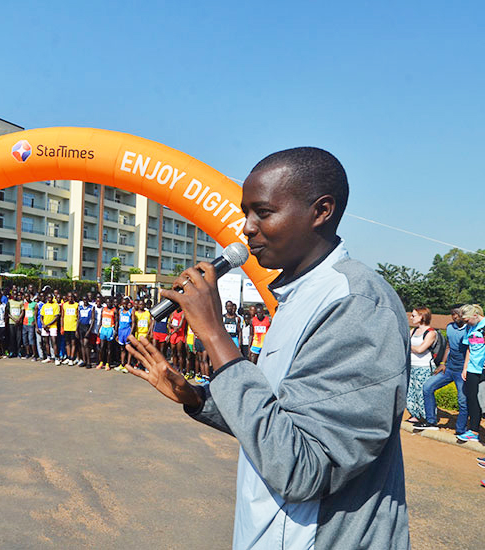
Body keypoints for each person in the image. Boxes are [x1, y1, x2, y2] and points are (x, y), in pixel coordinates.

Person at [126, 147, 409, 549]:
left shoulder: (355, 304)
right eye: (246, 213)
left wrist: (216, 337)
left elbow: (304, 468)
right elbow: (279, 421)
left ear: (321, 211)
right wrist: (198, 398)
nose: (246, 228)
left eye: (263, 212)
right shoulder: (298, 298)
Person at [416, 306, 467, 432]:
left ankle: (461, 429)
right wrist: (443, 363)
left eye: (457, 314)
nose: (455, 316)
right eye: (452, 314)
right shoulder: (450, 327)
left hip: (462, 371)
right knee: (428, 387)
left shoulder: (469, 329)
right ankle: (431, 421)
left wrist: (466, 369)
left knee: (462, 400)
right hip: (448, 369)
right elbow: (449, 346)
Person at [458, 304, 485, 443]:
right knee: (472, 399)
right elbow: (469, 347)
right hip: (472, 369)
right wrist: (465, 367)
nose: (466, 323)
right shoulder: (470, 327)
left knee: (482, 401)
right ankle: (474, 431)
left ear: (475, 315)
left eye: (467, 320)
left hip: (483, 370)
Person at [406, 307, 436, 423]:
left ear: (422, 316)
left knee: (422, 391)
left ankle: (427, 416)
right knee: (411, 391)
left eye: (414, 315)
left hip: (424, 366)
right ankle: (415, 414)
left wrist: (409, 347)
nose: (411, 318)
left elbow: (420, 349)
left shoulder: (431, 332)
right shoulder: (413, 331)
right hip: (411, 365)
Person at [40, 292, 60, 365]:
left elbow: (56, 317)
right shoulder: (44, 306)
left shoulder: (56, 305)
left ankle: (56, 358)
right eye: (48, 298)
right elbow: (41, 316)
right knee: (46, 342)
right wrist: (43, 324)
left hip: (53, 326)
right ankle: (48, 357)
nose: (49, 299)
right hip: (45, 326)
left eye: (50, 297)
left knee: (54, 342)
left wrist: (48, 324)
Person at [7, 290, 24, 358]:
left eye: (16, 294)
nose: (15, 296)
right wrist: (13, 319)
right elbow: (8, 312)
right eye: (13, 294)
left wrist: (19, 319)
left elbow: (22, 311)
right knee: (12, 338)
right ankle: (12, 352)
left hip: (18, 323)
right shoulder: (9, 302)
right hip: (11, 322)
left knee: (18, 338)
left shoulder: (21, 302)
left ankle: (19, 352)